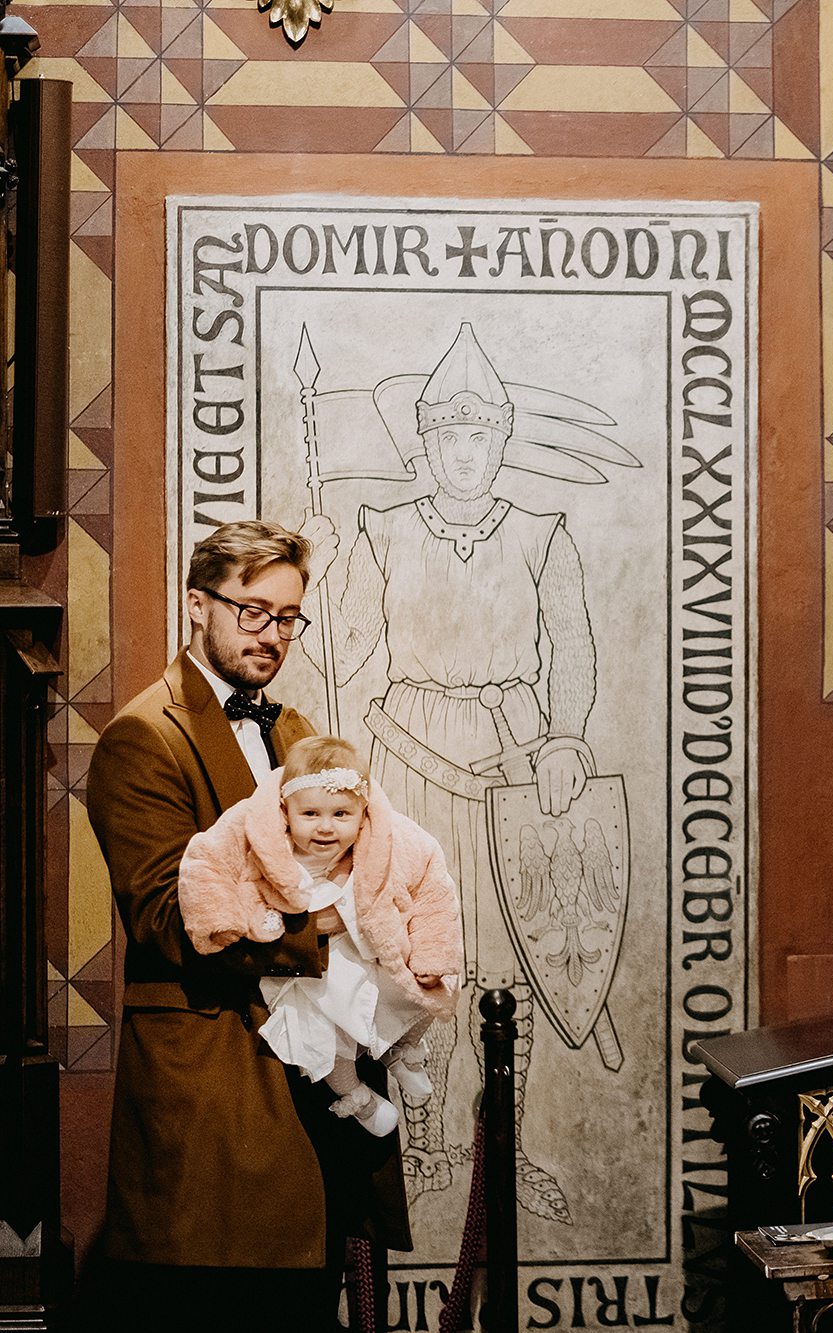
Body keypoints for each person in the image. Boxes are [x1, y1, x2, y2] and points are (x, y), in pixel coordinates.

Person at [81, 520, 408, 1331]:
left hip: (315, 1099)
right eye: (252, 611)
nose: (272, 635)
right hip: (216, 1102)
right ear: (198, 604)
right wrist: (324, 923)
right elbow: (167, 918)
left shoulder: (294, 731)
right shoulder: (143, 737)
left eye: (288, 617)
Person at [303, 321, 597, 1221]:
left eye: (480, 435)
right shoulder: (383, 530)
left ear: (499, 442)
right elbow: (346, 653)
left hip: (513, 759)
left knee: (516, 959)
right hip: (410, 752)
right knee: (413, 956)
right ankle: (423, 1146)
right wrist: (322, 574)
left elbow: (572, 648)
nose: (464, 453)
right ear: (426, 443)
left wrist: (564, 739)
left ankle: (504, 1145)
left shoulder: (541, 534)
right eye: (449, 436)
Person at [178, 736, 465, 1138]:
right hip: (310, 961)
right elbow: (205, 862)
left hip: (371, 944)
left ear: (364, 812)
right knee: (322, 1033)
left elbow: (433, 890)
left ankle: (404, 1052)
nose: (326, 827)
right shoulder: (255, 826)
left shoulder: (395, 836)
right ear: (285, 810)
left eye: (341, 814)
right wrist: (219, 917)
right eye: (310, 813)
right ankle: (356, 1097)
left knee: (419, 993)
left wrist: (432, 955)